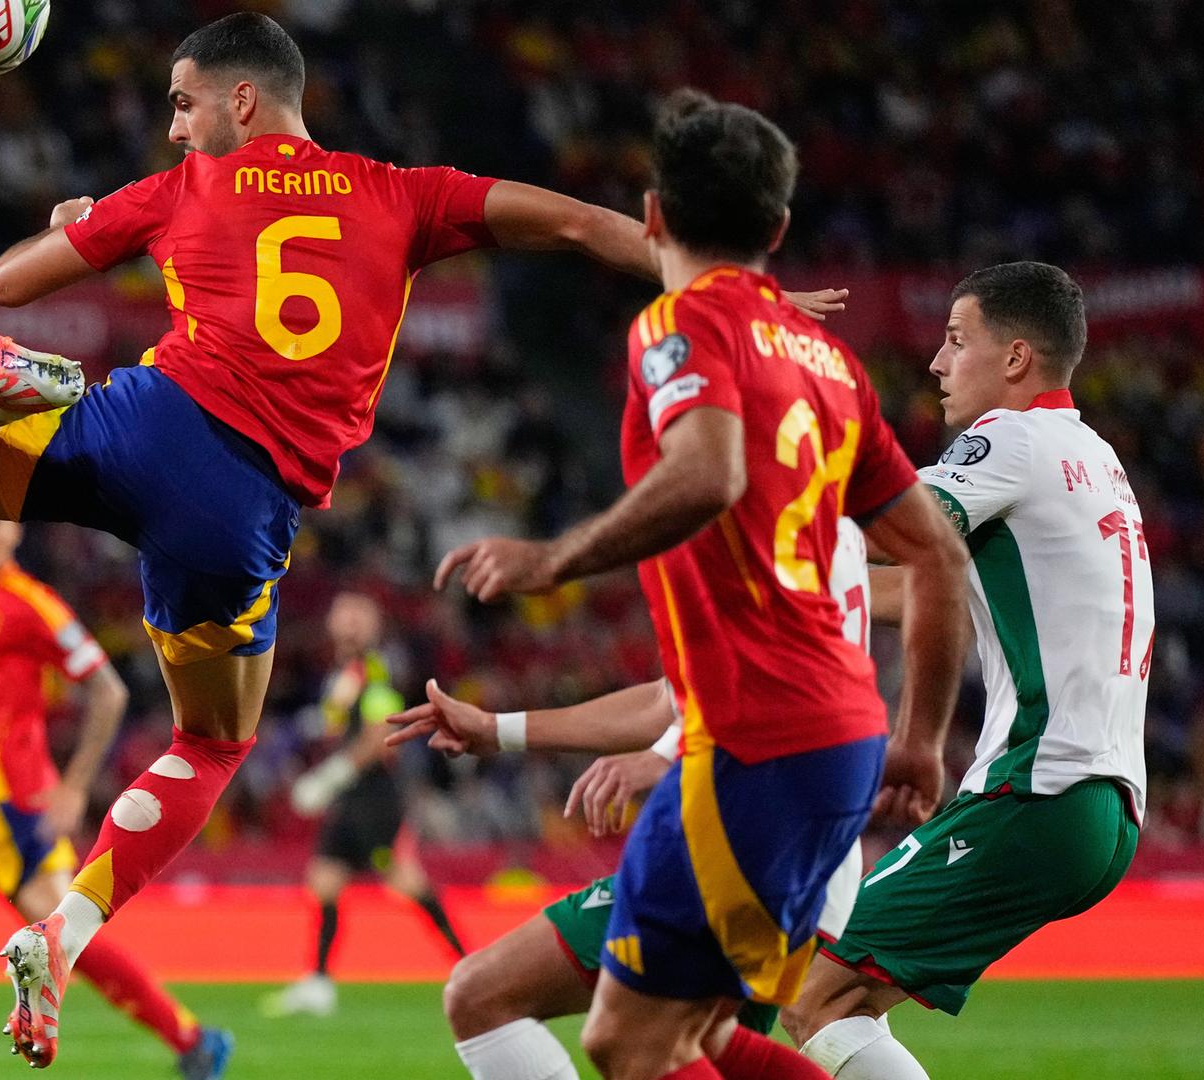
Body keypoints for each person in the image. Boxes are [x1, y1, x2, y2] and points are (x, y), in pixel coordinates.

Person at [0, 13, 841, 1066]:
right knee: (211, 743)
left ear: (242, 100)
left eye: (182, 104)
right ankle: (64, 932)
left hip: (137, 424)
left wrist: (71, 223)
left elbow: (6, 284)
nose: (174, 129)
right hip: (238, 507)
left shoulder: (175, 190)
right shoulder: (407, 194)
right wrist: (728, 292)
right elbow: (580, 225)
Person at [431, 90, 971, 1080]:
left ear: (652, 216)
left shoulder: (680, 325)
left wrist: (553, 559)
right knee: (696, 1034)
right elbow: (937, 556)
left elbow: (708, 472)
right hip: (833, 738)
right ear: (779, 229)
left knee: (628, 1040)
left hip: (757, 745)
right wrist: (919, 740)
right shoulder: (831, 363)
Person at [782, 263, 1149, 1079]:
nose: (937, 363)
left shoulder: (1011, 440)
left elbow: (884, 532)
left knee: (816, 995)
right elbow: (914, 583)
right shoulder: (1091, 456)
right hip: (1102, 800)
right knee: (839, 996)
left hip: (1039, 786)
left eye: (956, 340)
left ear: (1015, 358)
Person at [389, 519, 872, 1078]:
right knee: (699, 1040)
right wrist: (500, 729)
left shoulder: (755, 508)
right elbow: (671, 698)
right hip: (795, 828)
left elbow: (781, 669)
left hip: (753, 826)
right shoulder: (821, 513)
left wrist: (667, 751)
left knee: (508, 1003)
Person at [0, 514, 231, 1080]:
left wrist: (76, 785)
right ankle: (192, 1040)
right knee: (66, 938)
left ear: (14, 535)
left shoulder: (33, 605)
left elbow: (108, 691)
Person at [265, 591, 465, 1019]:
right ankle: (319, 981)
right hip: (351, 796)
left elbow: (380, 735)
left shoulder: (375, 669)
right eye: (345, 615)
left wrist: (332, 775)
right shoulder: (343, 672)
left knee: (405, 881)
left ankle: (468, 965)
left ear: (374, 626)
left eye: (360, 616)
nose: (351, 623)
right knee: (324, 880)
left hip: (374, 796)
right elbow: (341, 723)